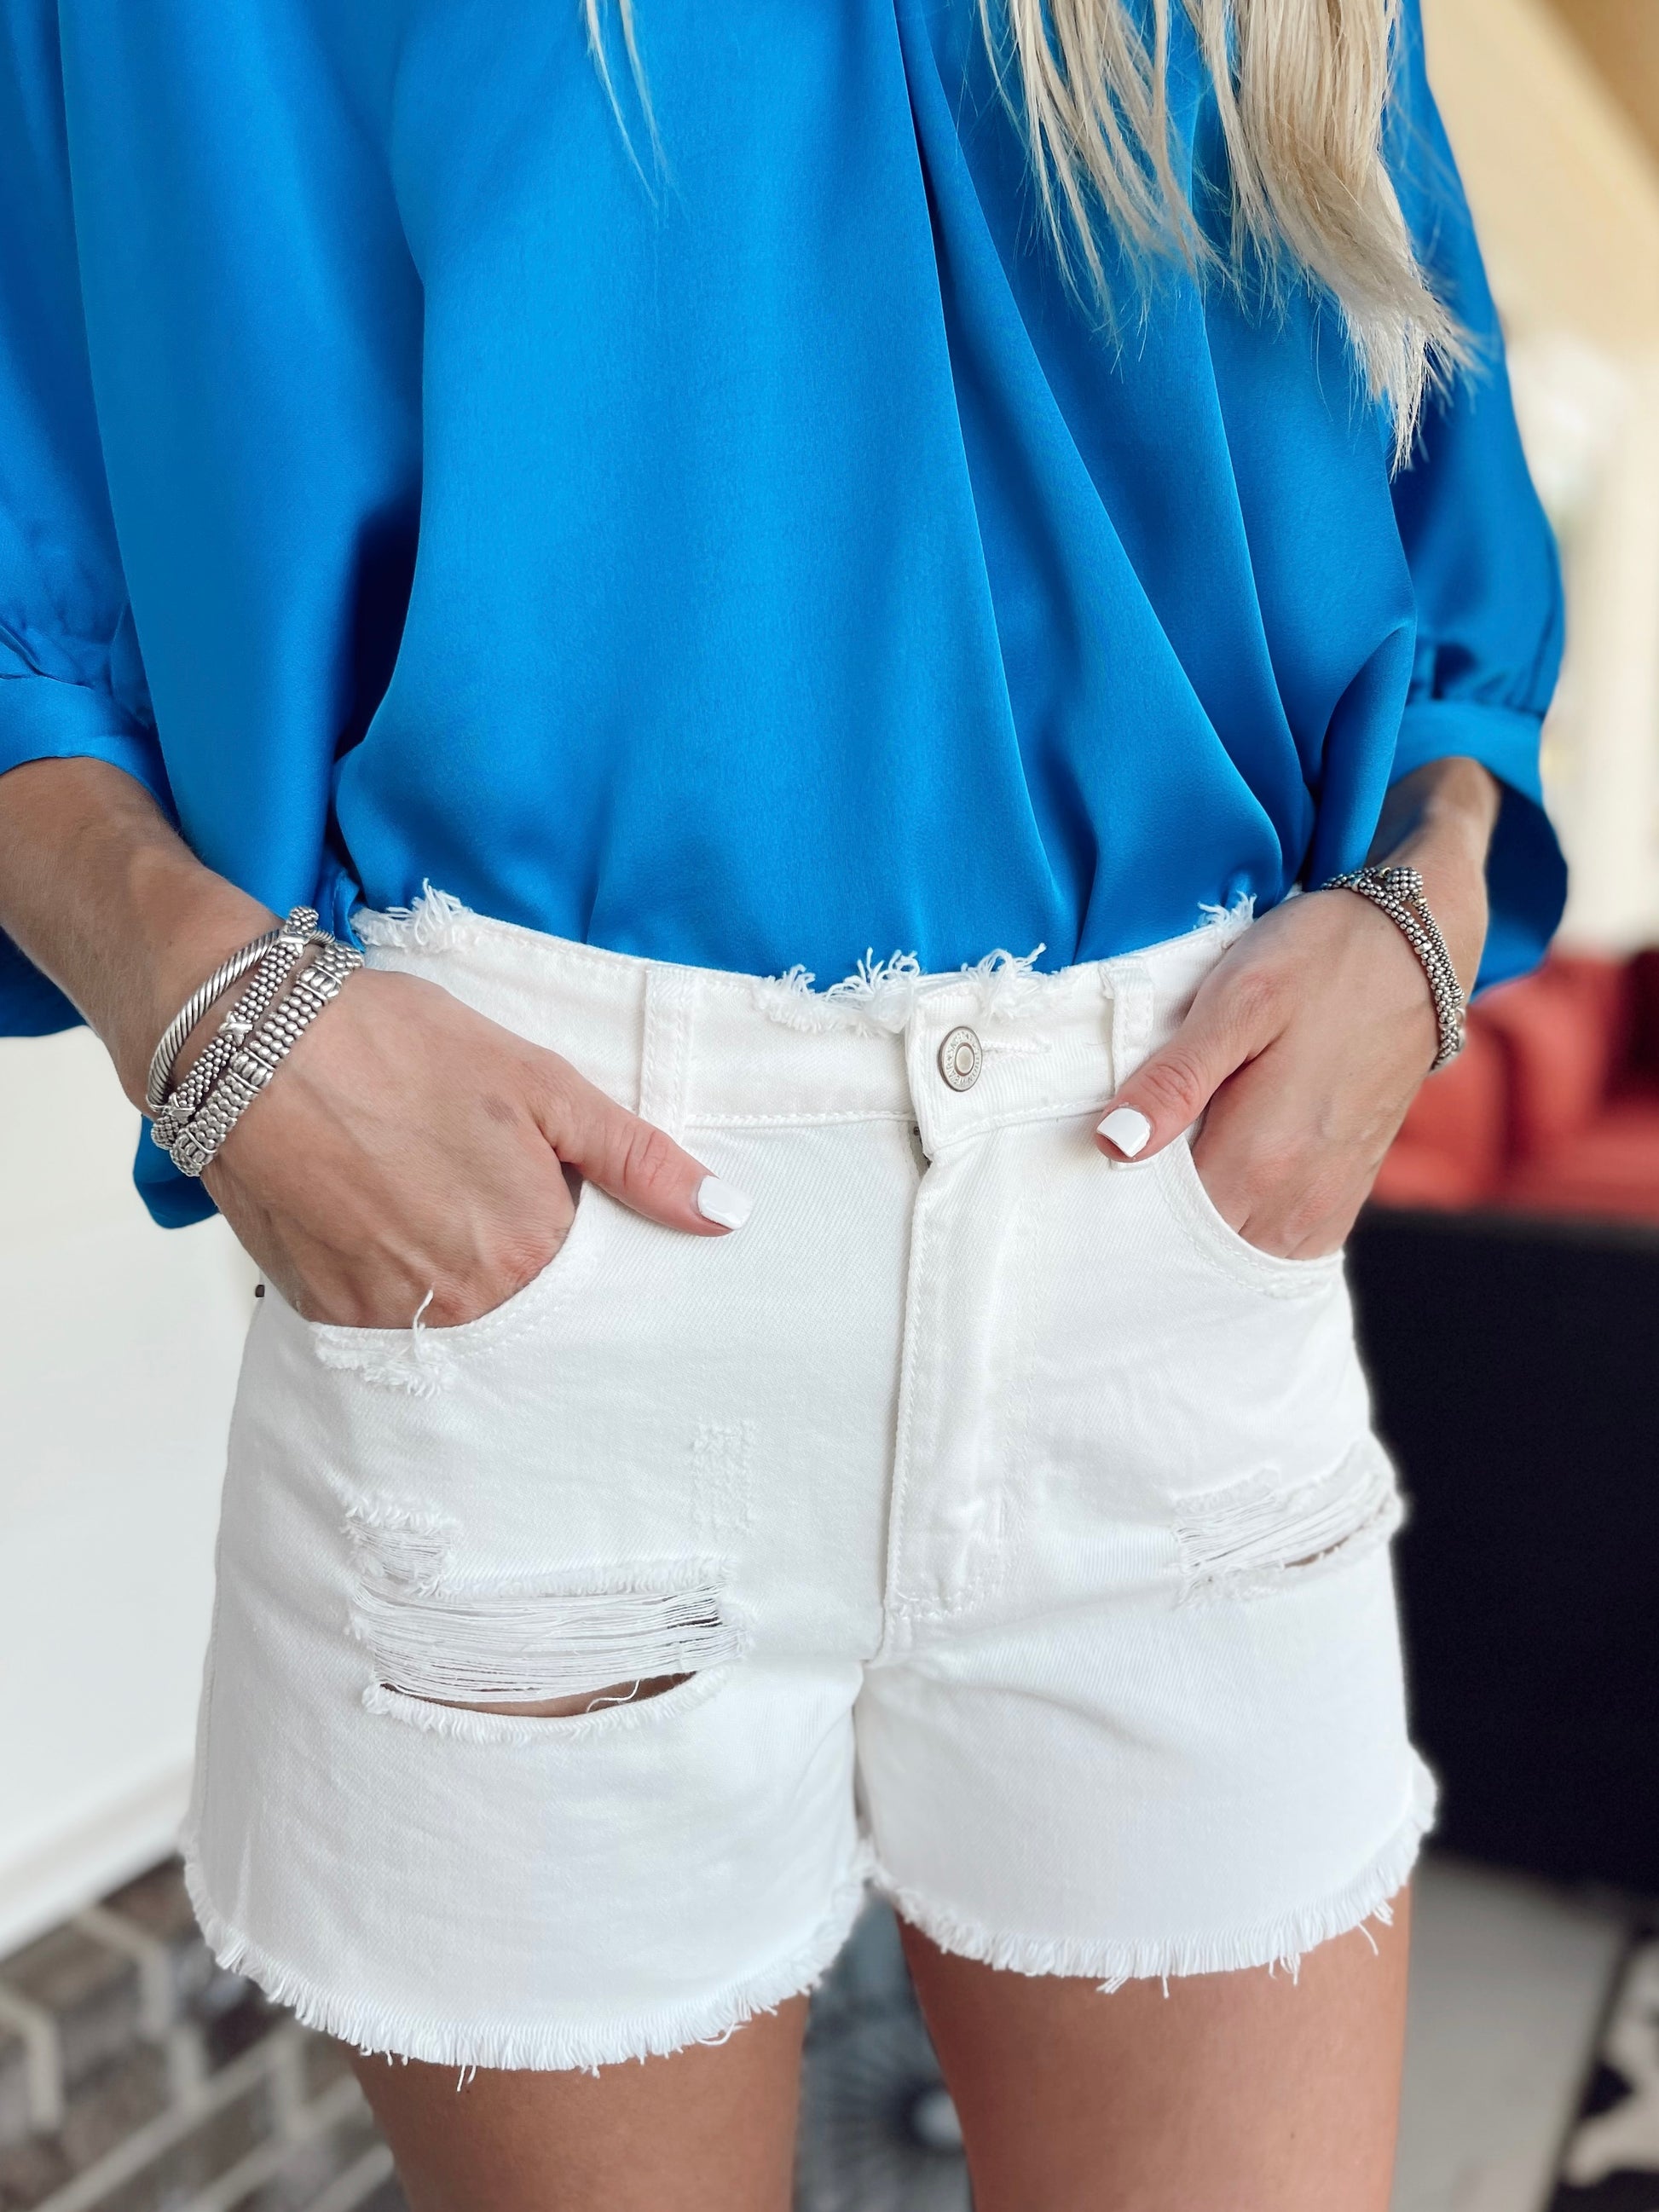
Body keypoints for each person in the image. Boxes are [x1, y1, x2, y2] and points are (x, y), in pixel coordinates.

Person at [0, 0, 1563, 2204]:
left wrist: (1425, 898)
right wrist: (210, 1018)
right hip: (540, 1257)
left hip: (1166, 1209)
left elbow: (1427, 469)